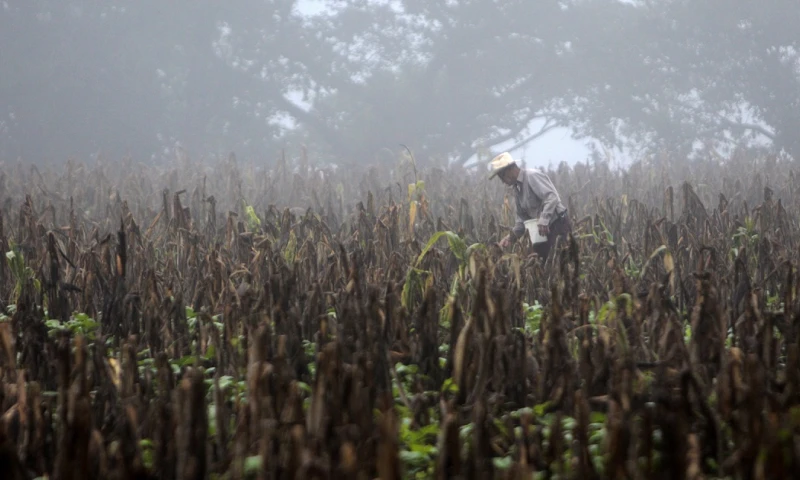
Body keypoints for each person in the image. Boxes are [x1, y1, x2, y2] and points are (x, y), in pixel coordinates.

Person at [489, 152, 572, 259]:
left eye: (501, 176)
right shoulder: (517, 189)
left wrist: (544, 219)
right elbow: (522, 219)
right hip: (541, 233)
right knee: (542, 265)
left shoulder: (532, 176)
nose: (502, 181)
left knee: (560, 262)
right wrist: (510, 237)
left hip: (557, 226)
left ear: (510, 169)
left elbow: (551, 197)